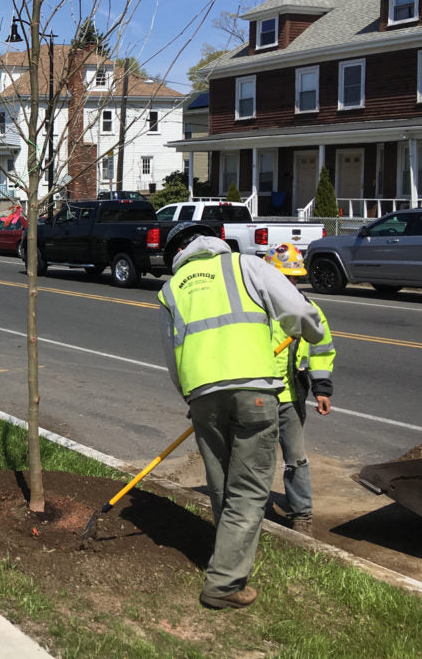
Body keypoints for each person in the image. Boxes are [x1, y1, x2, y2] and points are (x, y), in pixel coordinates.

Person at [158, 222, 325, 610]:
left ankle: (226, 555)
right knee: (249, 488)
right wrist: (312, 334)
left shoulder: (170, 290)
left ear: (176, 256)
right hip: (254, 390)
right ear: (214, 241)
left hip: (201, 395)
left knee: (221, 481)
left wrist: (192, 396)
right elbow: (300, 309)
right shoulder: (245, 265)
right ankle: (224, 582)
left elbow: (172, 359)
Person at [263, 243, 336, 536]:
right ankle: (255, 508)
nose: (290, 284)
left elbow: (321, 349)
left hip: (291, 398)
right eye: (284, 278)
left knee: (296, 458)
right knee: (258, 458)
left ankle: (301, 515)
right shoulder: (256, 310)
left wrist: (322, 388)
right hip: (259, 396)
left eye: (295, 278)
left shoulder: (308, 310)